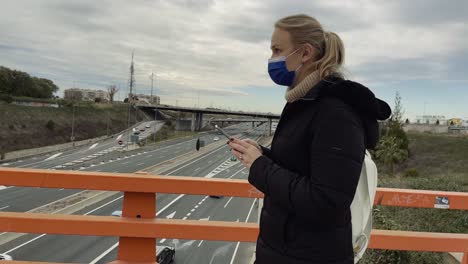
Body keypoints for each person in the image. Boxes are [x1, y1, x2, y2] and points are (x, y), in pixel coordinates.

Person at [228, 14, 391, 264]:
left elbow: (326, 202)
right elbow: (300, 166)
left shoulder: (336, 115)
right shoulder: (304, 104)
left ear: (305, 53)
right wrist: (261, 154)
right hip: (286, 250)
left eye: (277, 50)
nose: (271, 59)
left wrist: (260, 166)